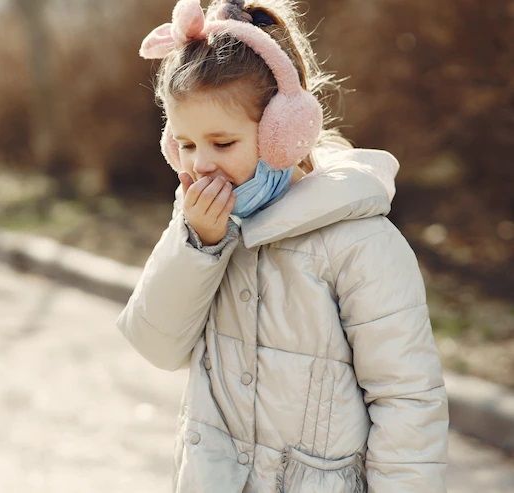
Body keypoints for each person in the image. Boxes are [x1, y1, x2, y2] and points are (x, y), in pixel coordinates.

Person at [116, 0, 449, 492]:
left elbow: (407, 399)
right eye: (185, 145)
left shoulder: (358, 242)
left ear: (284, 133)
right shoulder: (200, 226)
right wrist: (198, 248)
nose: (200, 163)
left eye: (222, 143)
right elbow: (156, 345)